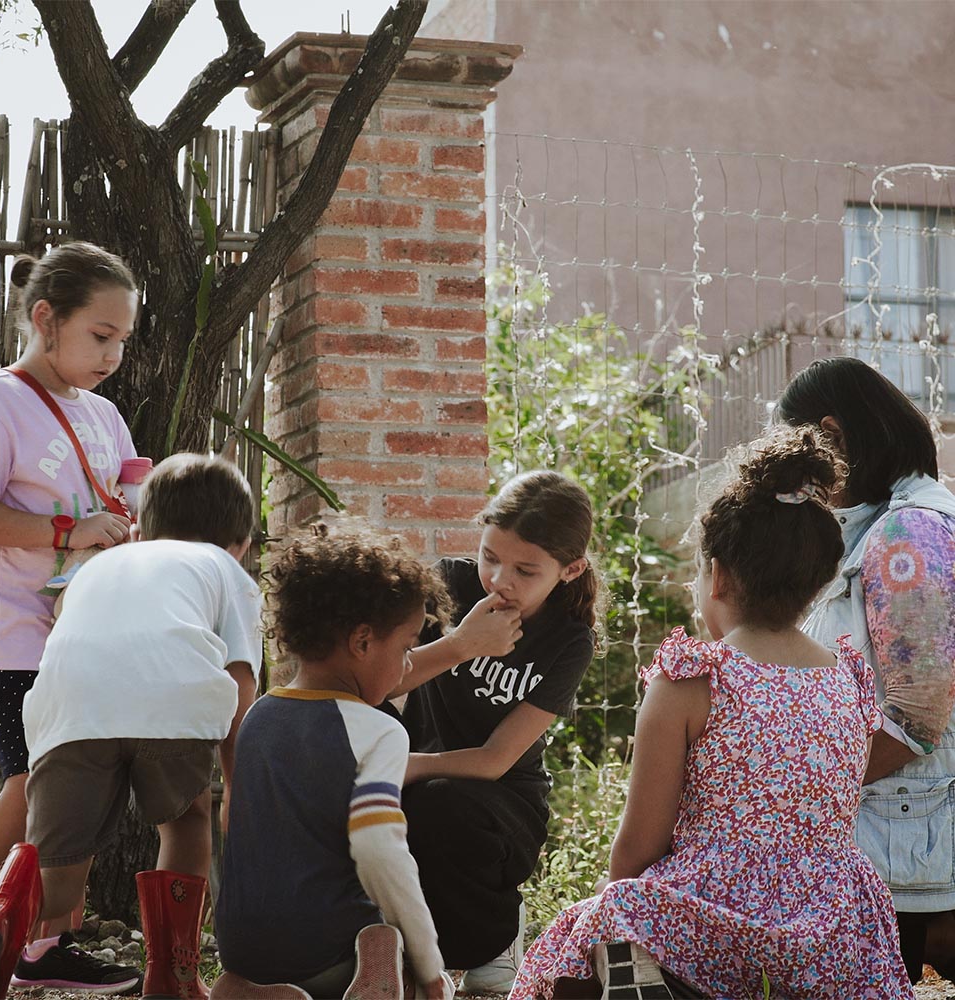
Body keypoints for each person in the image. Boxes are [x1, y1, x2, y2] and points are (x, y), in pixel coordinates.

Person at [508, 426, 913, 1000]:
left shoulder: (695, 678)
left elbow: (639, 846)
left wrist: (621, 917)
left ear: (716, 576)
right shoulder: (848, 679)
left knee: (582, 939)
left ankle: (640, 967)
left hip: (714, 921)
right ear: (820, 582)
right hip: (834, 932)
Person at [0, 453, 262, 1000]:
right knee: (186, 821)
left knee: (59, 858)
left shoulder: (94, 567)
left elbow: (68, 635)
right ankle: (173, 972)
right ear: (238, 541)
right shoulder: (225, 571)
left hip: (67, 709)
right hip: (171, 699)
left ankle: (7, 929)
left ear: (143, 526)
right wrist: (237, 784)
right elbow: (239, 681)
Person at [0, 242, 140, 994]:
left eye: (123, 340)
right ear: (45, 317)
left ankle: (44, 948)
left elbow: (128, 495)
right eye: (101, 335)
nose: (113, 354)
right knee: (31, 782)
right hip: (10, 636)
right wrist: (68, 533)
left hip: (86, 633)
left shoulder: (102, 412)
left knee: (81, 785)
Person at [212, 524, 458, 1000]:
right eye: (406, 648)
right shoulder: (380, 730)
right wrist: (431, 969)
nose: (408, 666)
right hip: (325, 951)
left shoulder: (258, 717)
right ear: (363, 642)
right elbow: (378, 850)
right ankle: (363, 978)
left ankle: (254, 988)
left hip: (242, 950)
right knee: (392, 938)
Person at [778, 355, 955, 985]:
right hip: (892, 835)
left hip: (904, 842)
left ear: (835, 434)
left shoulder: (908, 535)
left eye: (801, 454)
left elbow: (916, 716)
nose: (800, 479)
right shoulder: (882, 528)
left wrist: (793, 798)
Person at [394, 470, 600, 994]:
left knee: (439, 803)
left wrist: (409, 766)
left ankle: (497, 935)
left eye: (525, 570)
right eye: (489, 557)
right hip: (421, 778)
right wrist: (460, 644)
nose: (499, 580)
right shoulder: (449, 586)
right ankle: (394, 950)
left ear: (569, 570)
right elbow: (376, 680)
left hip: (503, 801)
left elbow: (495, 759)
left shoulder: (570, 640)